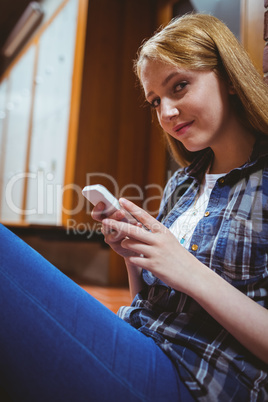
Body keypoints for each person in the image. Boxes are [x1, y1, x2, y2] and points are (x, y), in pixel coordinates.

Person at [0, 13, 267, 401]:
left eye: (180, 86)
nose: (167, 112)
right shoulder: (184, 182)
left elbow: (186, 275)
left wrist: (184, 268)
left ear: (227, 76)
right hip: (142, 343)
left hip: (192, 382)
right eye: (155, 101)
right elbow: (148, 304)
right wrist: (134, 256)